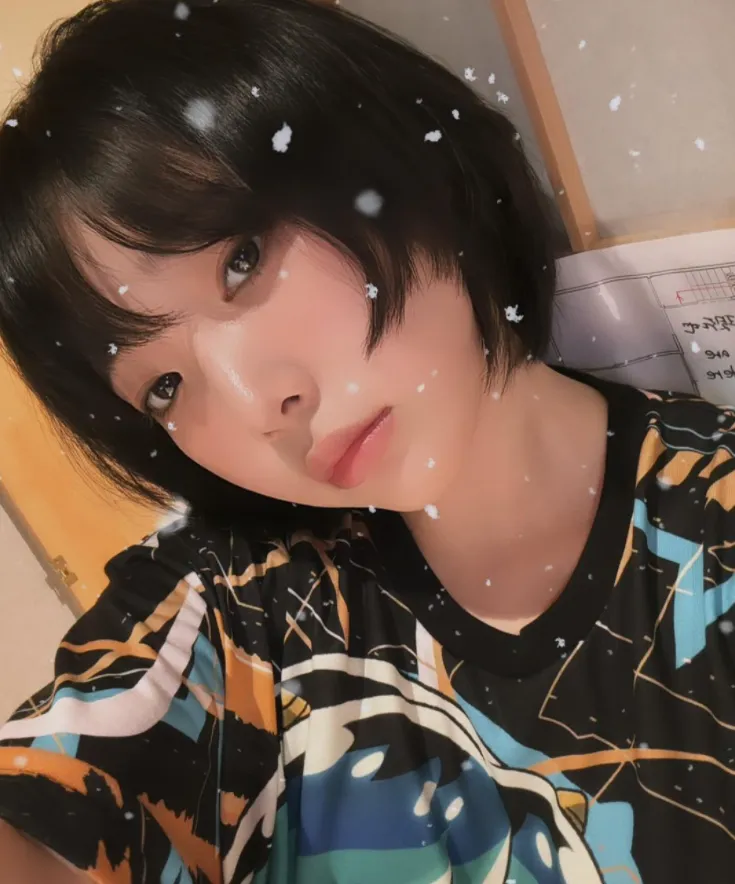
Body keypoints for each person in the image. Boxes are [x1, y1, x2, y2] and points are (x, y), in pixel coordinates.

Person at [0, 0, 733, 880]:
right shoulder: (238, 602)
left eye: (240, 259)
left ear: (383, 145)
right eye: (164, 387)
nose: (259, 404)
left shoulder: (714, 525)